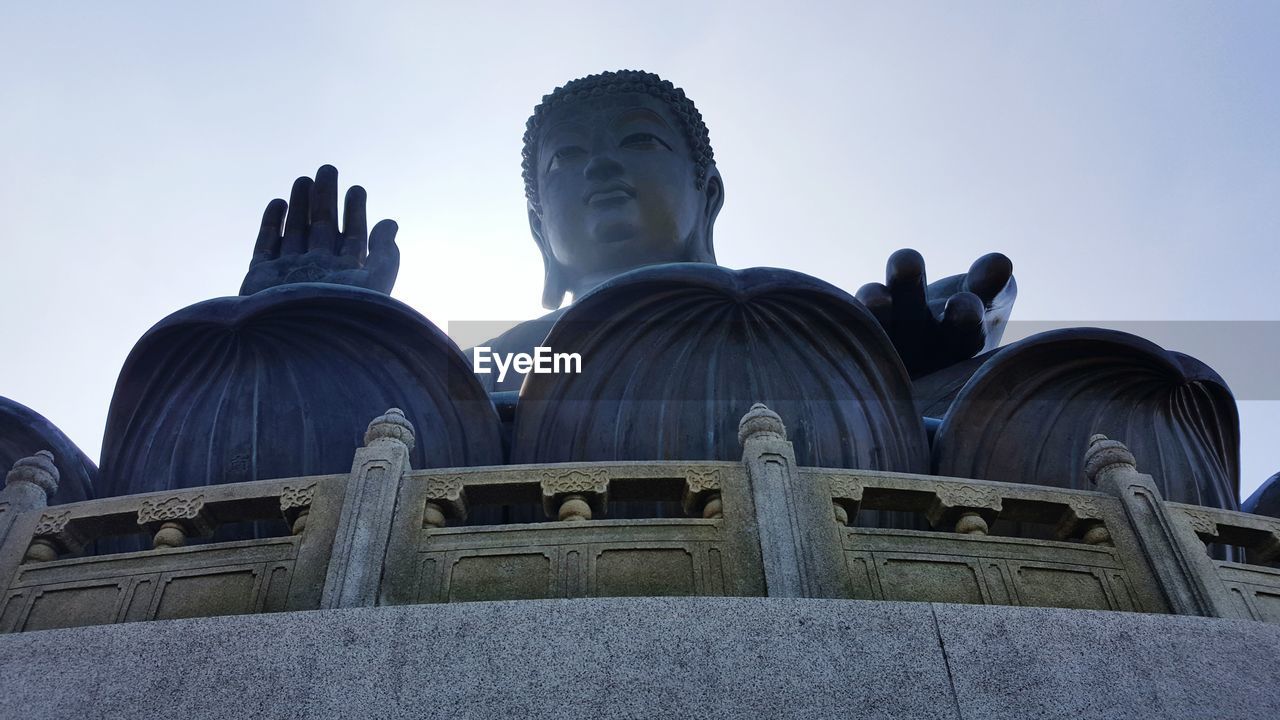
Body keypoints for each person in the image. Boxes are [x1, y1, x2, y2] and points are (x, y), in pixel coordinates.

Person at [238, 70, 1015, 389]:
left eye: (637, 142)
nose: (600, 168)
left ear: (707, 193)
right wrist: (315, 343)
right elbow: (364, 459)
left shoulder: (800, 327)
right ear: (540, 230)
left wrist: (892, 372)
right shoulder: (488, 360)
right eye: (567, 159)